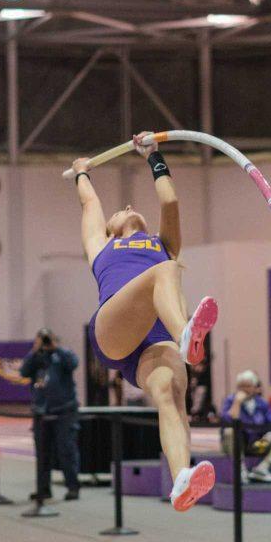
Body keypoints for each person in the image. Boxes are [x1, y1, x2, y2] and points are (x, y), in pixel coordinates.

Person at [73, 131, 218, 512]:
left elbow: (169, 198)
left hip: (154, 340)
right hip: (114, 330)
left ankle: (181, 480)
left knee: (171, 397)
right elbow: (91, 203)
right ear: (110, 226)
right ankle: (187, 335)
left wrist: (153, 155)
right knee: (166, 272)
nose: (127, 206)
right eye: (120, 210)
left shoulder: (162, 241)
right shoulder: (101, 247)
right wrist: (82, 173)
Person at [21, 329, 81, 506]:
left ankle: (72, 486)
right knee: (42, 453)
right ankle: (43, 489)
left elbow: (73, 363)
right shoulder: (36, 358)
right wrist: (35, 350)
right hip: (42, 412)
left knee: (66, 450)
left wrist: (56, 347)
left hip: (64, 411)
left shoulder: (63, 355)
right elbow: (24, 371)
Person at [220, 370, 271, 482]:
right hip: (236, 444)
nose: (244, 389)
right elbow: (228, 421)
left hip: (257, 444)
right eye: (241, 386)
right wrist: (237, 403)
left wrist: (270, 435)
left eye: (248, 386)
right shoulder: (230, 401)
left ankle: (262, 469)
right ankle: (241, 470)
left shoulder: (262, 403)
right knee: (230, 432)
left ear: (255, 387)